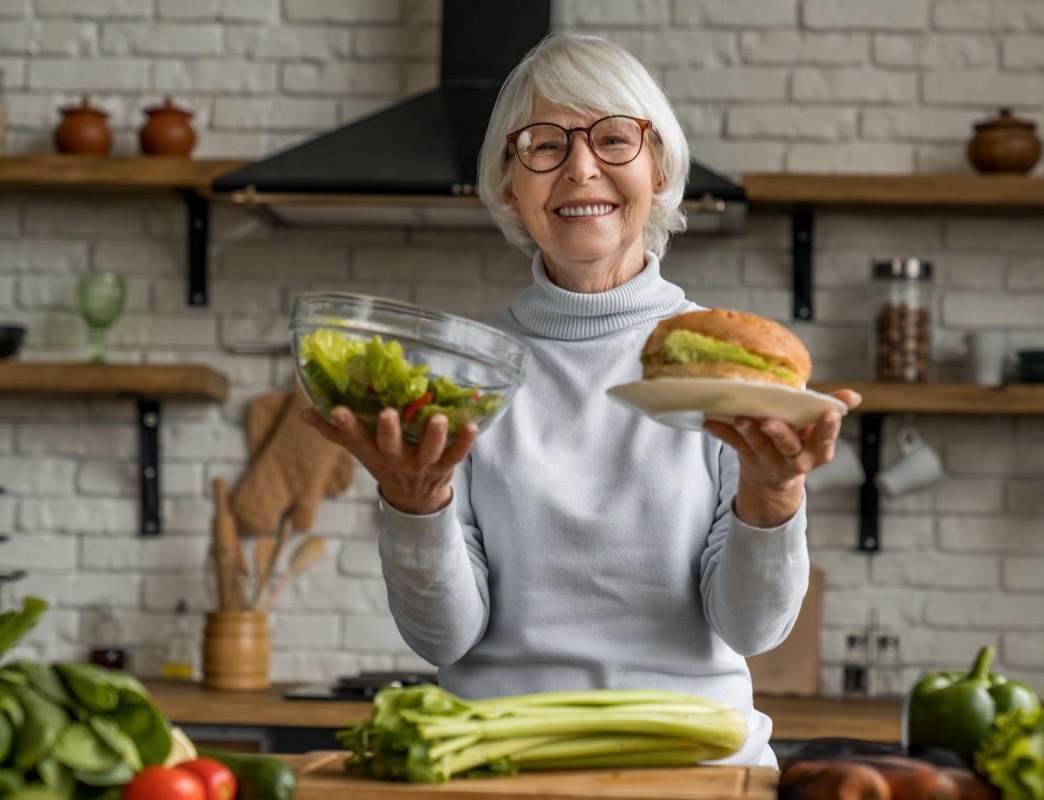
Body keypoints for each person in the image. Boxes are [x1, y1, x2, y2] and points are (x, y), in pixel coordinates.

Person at [302, 32, 861, 767]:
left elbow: (753, 630)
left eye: (614, 138)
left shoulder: (730, 374)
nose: (581, 167)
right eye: (543, 145)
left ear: (657, 169)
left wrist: (775, 496)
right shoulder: (459, 380)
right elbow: (444, 639)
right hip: (498, 765)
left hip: (693, 769)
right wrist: (415, 505)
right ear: (509, 183)